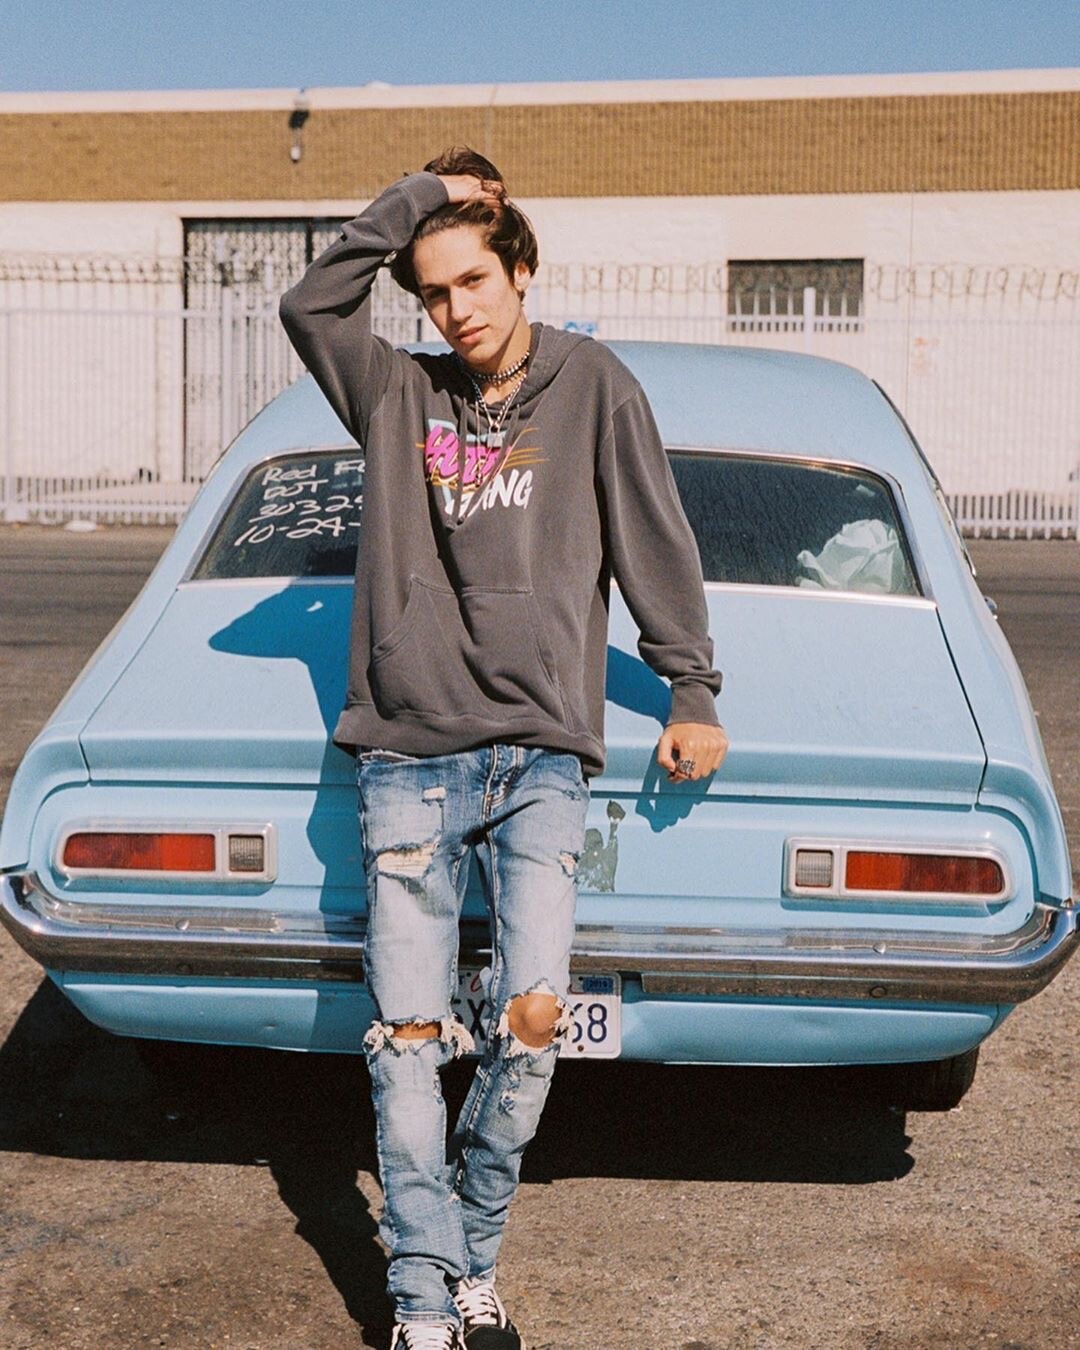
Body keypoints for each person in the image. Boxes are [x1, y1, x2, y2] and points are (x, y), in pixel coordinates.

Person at [280, 147, 728, 1350]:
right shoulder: (394, 393)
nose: (456, 309)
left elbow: (652, 536)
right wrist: (425, 197)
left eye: (474, 278)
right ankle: (423, 1300)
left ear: (521, 269)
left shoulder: (595, 386)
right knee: (408, 1045)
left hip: (538, 756)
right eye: (433, 291)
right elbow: (309, 303)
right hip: (408, 755)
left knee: (533, 1021)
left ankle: (470, 1256)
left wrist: (689, 686)